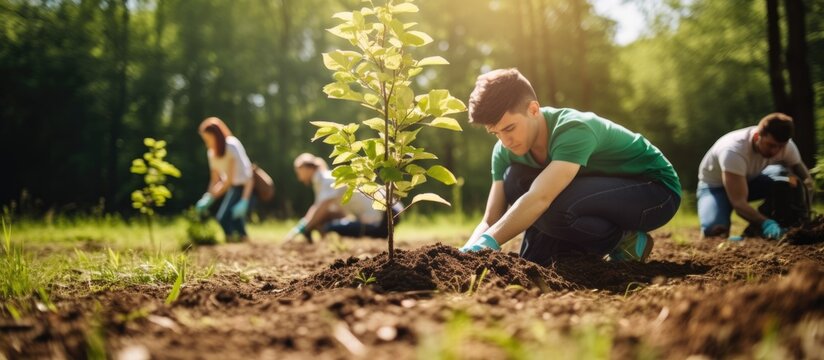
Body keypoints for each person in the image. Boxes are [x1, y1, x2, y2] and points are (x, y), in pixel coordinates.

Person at [458, 68, 681, 264]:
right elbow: (491, 218)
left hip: (655, 192)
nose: (505, 141)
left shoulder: (573, 129)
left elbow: (540, 198)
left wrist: (488, 244)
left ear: (533, 110)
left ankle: (624, 240)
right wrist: (465, 254)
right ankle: (586, 250)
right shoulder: (504, 151)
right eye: (495, 134)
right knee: (536, 257)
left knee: (554, 206)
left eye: (509, 128)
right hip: (587, 194)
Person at [697, 112, 812, 239]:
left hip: (751, 179)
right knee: (716, 232)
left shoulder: (787, 146)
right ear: (758, 136)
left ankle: (768, 225)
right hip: (716, 188)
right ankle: (763, 224)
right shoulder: (733, 151)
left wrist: (806, 219)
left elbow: (807, 182)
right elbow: (739, 203)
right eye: (771, 145)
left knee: (790, 181)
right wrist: (766, 223)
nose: (776, 151)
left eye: (780, 147)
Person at [286, 153, 401, 243]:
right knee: (324, 220)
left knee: (329, 228)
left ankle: (328, 246)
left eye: (299, 172)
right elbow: (323, 209)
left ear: (307, 168)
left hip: (385, 217)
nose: (299, 178)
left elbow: (320, 208)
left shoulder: (326, 180)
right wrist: (306, 225)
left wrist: (302, 229)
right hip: (391, 210)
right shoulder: (325, 178)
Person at [194, 117, 254, 242]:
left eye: (208, 138)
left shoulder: (231, 146)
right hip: (232, 186)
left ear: (216, 135)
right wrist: (207, 196)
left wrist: (212, 198)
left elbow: (239, 178)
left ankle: (234, 240)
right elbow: (215, 180)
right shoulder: (211, 153)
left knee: (224, 217)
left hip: (244, 186)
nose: (207, 142)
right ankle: (241, 239)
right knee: (233, 217)